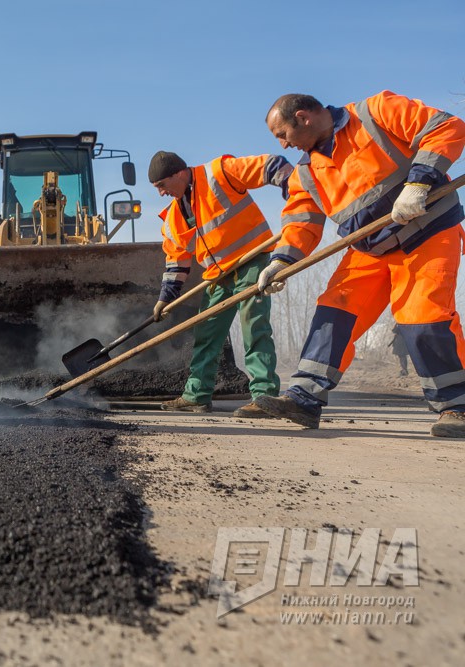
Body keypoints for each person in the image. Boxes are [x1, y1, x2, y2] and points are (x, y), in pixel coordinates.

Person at [256, 91, 465, 437]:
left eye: (283, 134)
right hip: (370, 250)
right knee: (333, 312)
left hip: (426, 233)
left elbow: (446, 127)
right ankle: (305, 398)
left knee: (422, 317)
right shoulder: (306, 172)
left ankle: (456, 407)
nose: (284, 144)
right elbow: (300, 221)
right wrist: (282, 260)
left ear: (304, 118)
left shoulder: (375, 112)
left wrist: (417, 184)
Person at [149, 150, 292, 417]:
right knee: (207, 332)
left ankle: (264, 396)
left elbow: (272, 165)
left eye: (162, 186)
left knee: (254, 326)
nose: (161, 193)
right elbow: (176, 263)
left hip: (251, 262)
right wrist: (164, 299)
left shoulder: (219, 173)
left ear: (179, 173)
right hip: (217, 274)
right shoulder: (171, 219)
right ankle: (197, 395)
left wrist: (297, 191)